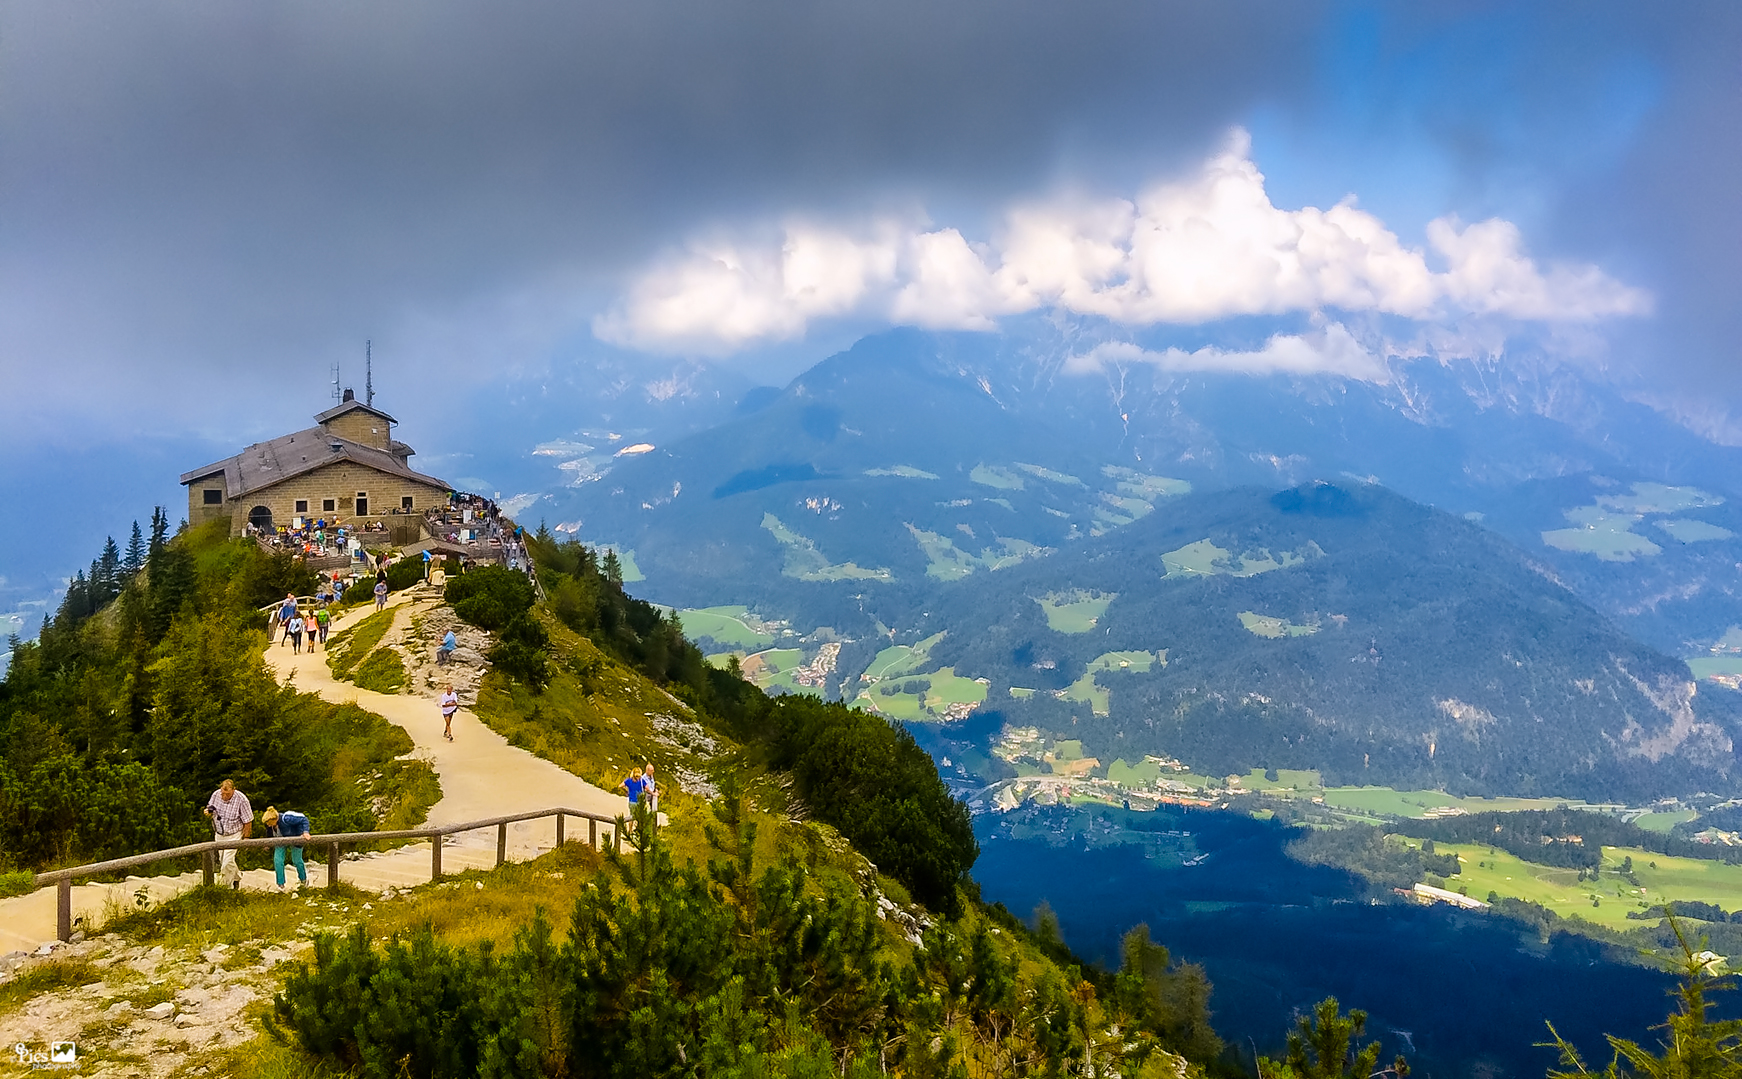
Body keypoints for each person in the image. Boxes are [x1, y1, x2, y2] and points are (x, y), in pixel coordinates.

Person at [203, 779, 253, 890]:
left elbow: (248, 821)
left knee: (227, 861)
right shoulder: (216, 795)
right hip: (220, 832)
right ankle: (236, 877)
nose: (224, 796)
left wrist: (246, 837)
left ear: (234, 790)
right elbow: (210, 807)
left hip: (234, 833)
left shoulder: (242, 800)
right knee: (222, 860)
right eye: (223, 793)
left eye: (228, 794)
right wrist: (208, 812)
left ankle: (227, 888)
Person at [262, 806, 311, 892]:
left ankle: (303, 880)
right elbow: (269, 834)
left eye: (269, 823)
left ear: (274, 819)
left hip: (296, 838)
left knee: (297, 860)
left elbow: (304, 820)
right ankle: (280, 885)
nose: (268, 825)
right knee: (278, 861)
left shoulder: (287, 819)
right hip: (280, 841)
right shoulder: (270, 826)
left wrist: (305, 832)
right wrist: (268, 844)